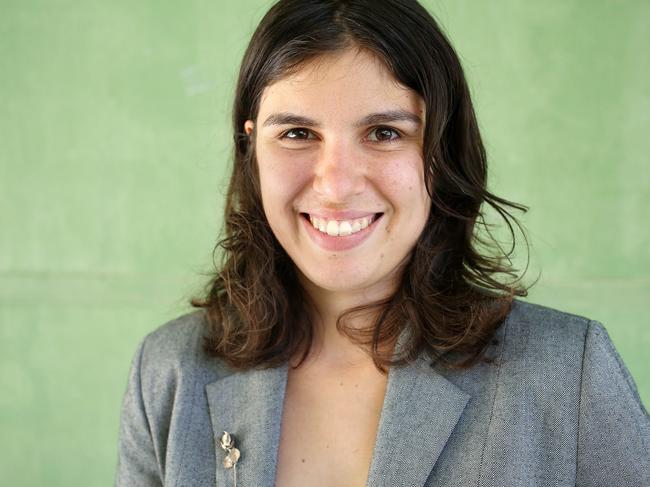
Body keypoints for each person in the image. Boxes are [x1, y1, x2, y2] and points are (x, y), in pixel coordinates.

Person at [115, 0, 650, 485]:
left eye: (384, 133)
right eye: (297, 133)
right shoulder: (170, 371)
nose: (336, 184)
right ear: (251, 148)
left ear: (442, 151)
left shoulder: (567, 373)